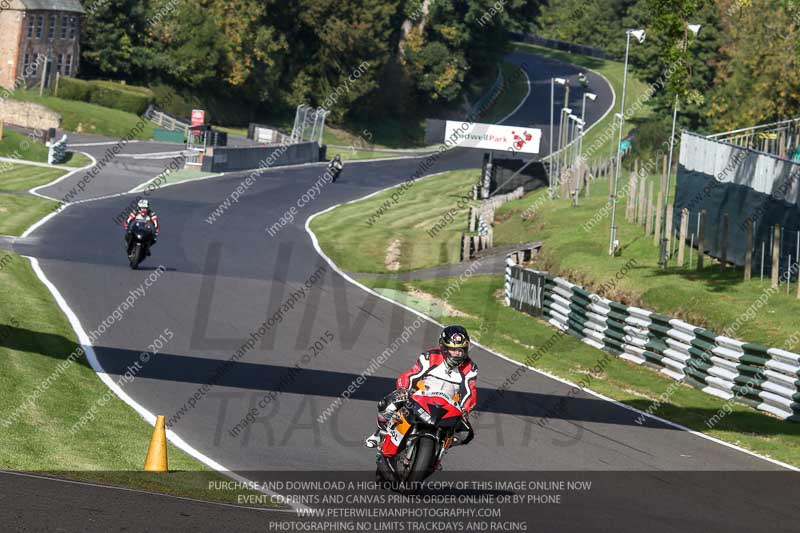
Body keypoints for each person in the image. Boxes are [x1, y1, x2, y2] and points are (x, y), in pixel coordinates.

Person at [364, 325, 478, 455]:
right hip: (422, 396)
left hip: (448, 405)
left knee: (466, 434)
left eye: (461, 350)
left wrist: (464, 409)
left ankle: (440, 448)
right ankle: (380, 433)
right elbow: (410, 376)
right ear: (444, 347)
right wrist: (404, 389)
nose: (457, 354)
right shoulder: (430, 356)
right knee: (387, 404)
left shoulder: (470, 368)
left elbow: (470, 392)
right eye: (453, 350)